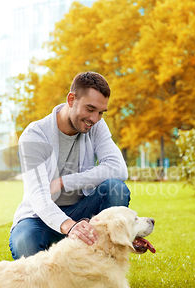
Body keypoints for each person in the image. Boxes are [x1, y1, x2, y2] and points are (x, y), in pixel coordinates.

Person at [9, 71, 130, 260]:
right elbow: (39, 196)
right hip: (40, 216)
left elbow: (118, 168)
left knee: (116, 189)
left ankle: (104, 268)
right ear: (71, 99)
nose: (95, 119)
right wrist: (69, 225)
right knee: (24, 242)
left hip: (83, 210)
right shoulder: (34, 136)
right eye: (90, 109)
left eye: (100, 112)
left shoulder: (97, 126)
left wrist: (65, 181)